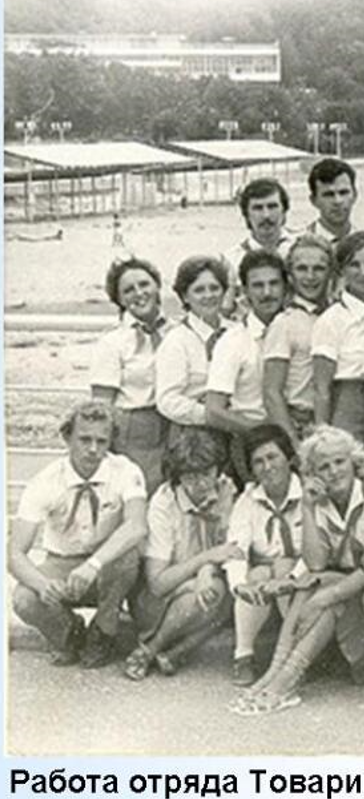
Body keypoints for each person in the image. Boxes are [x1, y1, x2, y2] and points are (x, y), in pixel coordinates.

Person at [229, 427, 364, 715]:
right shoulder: (320, 500)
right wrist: (308, 509)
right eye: (324, 466)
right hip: (346, 589)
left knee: (325, 596)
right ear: (313, 473)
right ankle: (275, 673)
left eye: (340, 462)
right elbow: (316, 563)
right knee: (308, 583)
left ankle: (284, 682)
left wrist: (324, 598)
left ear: (354, 462)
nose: (333, 472)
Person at [9, 401, 148, 669]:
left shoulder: (125, 470)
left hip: (106, 568)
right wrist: (42, 584)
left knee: (127, 556)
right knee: (24, 599)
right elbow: (14, 553)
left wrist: (93, 565)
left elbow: (136, 526)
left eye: (101, 441)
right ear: (67, 438)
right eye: (84, 439)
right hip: (62, 564)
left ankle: (103, 631)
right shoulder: (46, 481)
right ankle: (69, 633)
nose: (93, 449)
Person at [124, 427, 238, 680]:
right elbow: (157, 584)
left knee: (223, 593)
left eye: (207, 473)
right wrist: (205, 561)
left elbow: (230, 552)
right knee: (209, 595)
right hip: (162, 598)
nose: (201, 484)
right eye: (191, 477)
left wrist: (206, 569)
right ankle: (157, 649)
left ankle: (166, 651)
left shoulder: (226, 492)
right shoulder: (164, 503)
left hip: (209, 585)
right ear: (177, 477)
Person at [224, 424, 305, 687]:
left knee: (282, 567)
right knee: (257, 575)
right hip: (264, 575)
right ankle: (243, 656)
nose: (267, 467)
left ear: (289, 458)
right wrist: (239, 585)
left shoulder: (308, 494)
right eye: (258, 461)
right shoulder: (248, 500)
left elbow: (316, 550)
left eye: (273, 457)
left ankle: (295, 656)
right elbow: (236, 549)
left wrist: (289, 577)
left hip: (302, 572)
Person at [91, 257, 172, 493]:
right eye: (128, 290)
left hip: (173, 426)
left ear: (157, 286)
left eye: (144, 284)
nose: (139, 293)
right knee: (138, 493)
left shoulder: (177, 331)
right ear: (119, 299)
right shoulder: (112, 342)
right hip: (133, 433)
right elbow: (101, 404)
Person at [310, 232, 364, 452]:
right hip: (351, 407)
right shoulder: (331, 320)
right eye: (354, 265)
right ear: (342, 271)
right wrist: (322, 439)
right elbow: (322, 389)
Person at [206, 250, 288, 453]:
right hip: (254, 442)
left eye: (274, 283)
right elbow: (214, 411)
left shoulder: (297, 329)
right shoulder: (233, 341)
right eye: (258, 286)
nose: (267, 293)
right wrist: (267, 433)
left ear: (285, 286)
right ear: (245, 291)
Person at [262, 234, 333, 441]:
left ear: (330, 273)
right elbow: (272, 392)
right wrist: (293, 442)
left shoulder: (337, 316)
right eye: (302, 269)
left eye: (319, 269)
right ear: (290, 275)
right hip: (301, 422)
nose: (310, 276)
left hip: (337, 418)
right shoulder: (284, 323)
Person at [155, 255, 238, 430]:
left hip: (240, 427)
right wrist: (212, 416)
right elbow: (167, 400)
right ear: (185, 296)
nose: (208, 295)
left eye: (214, 288)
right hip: (196, 432)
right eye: (199, 290)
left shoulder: (237, 332)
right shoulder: (177, 340)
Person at [222, 178, 293, 314]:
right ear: (246, 215)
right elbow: (224, 311)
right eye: (258, 208)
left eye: (272, 206)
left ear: (284, 210)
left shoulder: (301, 249)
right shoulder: (231, 260)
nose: (266, 215)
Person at [303, 158, 358, 245]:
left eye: (343, 192)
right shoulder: (300, 246)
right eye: (328, 195)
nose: (337, 201)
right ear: (313, 200)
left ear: (355, 195)